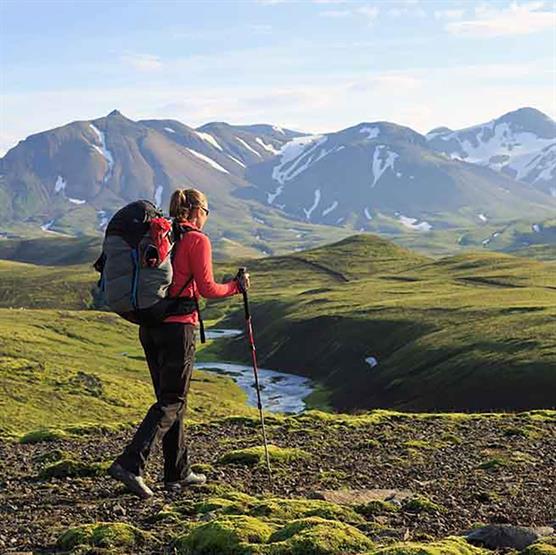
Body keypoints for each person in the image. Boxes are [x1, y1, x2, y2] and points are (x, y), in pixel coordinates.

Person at [108, 188, 250, 499]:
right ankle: (131, 462)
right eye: (207, 211)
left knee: (170, 400)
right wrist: (236, 287)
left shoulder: (161, 235)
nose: (207, 217)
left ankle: (177, 472)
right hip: (178, 329)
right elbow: (208, 288)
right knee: (172, 401)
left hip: (150, 326)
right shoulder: (197, 239)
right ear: (198, 210)